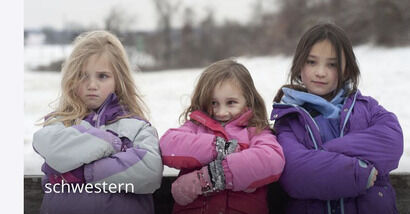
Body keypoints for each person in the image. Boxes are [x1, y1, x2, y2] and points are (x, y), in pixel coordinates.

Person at [271, 23, 403, 214]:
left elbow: (391, 142)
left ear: (347, 70)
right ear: (299, 65)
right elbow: (296, 174)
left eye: (332, 64)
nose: (320, 72)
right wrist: (357, 172)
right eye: (311, 62)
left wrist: (319, 154)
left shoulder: (367, 108)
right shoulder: (288, 119)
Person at [32, 30, 163, 214]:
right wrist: (112, 143)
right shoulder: (60, 123)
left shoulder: (137, 127)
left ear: (119, 80)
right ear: (71, 79)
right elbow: (53, 149)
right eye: (82, 76)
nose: (92, 85)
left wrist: (81, 172)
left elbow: (149, 172)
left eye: (102, 76)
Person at [159, 59, 285, 214]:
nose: (221, 112)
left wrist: (209, 177)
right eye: (213, 103)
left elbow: (271, 160)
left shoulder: (256, 131)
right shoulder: (195, 126)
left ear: (248, 101)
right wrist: (220, 148)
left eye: (231, 103)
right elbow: (168, 145)